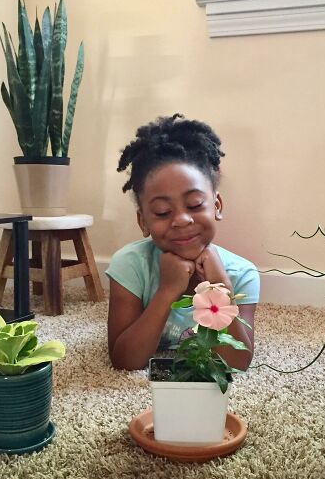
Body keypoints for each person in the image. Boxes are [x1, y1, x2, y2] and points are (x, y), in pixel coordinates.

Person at [106, 114, 260, 371]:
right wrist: (167, 291)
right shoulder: (130, 265)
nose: (181, 219)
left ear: (217, 206)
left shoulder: (243, 274)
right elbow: (125, 361)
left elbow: (237, 363)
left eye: (194, 204)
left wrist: (221, 287)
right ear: (143, 221)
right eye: (163, 212)